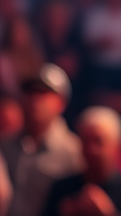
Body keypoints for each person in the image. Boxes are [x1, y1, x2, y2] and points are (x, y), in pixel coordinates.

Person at [0, 64, 84, 216]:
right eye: (29, 91)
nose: (34, 99)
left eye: (42, 93)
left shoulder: (74, 151)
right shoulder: (6, 146)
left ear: (61, 102)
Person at [42, 107, 121, 216]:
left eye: (98, 141)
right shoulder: (62, 190)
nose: (91, 149)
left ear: (117, 147)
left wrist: (109, 213)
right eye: (85, 141)